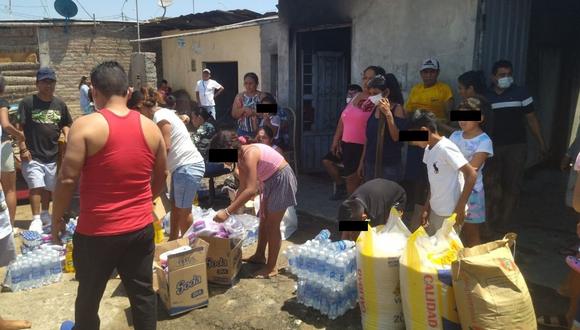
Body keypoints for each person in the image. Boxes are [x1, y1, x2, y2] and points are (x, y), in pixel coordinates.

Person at [51, 61, 168, 330]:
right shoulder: (150, 127)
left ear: (94, 92)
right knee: (142, 295)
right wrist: (144, 200)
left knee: (89, 296)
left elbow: (67, 178)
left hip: (97, 232)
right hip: (139, 228)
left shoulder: (85, 125)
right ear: (128, 91)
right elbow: (162, 175)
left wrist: (56, 217)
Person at [211, 130, 297, 278]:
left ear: (229, 149)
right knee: (263, 220)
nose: (222, 162)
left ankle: (271, 267)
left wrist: (227, 212)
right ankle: (259, 255)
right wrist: (233, 206)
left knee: (272, 226)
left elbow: (251, 190)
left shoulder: (249, 154)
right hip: (269, 181)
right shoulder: (241, 158)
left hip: (281, 179)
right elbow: (243, 187)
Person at [483, 59, 547, 232]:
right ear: (493, 77)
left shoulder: (521, 93)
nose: (506, 78)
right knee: (491, 186)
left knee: (512, 185)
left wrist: (541, 142)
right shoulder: (485, 96)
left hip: (516, 147)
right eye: (502, 75)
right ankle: (489, 224)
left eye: (509, 74)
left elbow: (531, 118)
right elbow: (472, 118)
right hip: (491, 147)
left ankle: (504, 224)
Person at [140, 87, 205, 241]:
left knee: (184, 211)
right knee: (176, 207)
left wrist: (154, 169)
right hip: (182, 167)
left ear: (142, 107)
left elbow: (166, 145)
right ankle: (174, 241)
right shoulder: (166, 113)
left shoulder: (160, 116)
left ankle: (190, 249)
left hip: (187, 166)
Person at [18, 67, 72, 233]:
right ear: (37, 84)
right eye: (45, 82)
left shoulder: (59, 104)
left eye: (51, 82)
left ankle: (44, 213)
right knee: (36, 185)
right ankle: (35, 219)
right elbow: (19, 127)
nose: (48, 85)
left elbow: (66, 123)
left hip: (53, 154)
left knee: (49, 187)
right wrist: (23, 148)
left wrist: (66, 136)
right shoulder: (27, 103)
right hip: (32, 154)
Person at [407, 110, 477, 235]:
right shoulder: (428, 149)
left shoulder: (446, 148)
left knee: (446, 251)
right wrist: (427, 207)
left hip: (450, 214)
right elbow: (433, 181)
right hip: (436, 210)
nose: (414, 143)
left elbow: (471, 174)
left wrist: (460, 208)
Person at [330, 66, 386, 195]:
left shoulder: (377, 99)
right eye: (364, 78)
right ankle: (354, 210)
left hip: (362, 146)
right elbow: (343, 118)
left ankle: (357, 210)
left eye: (370, 78)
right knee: (351, 179)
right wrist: (336, 139)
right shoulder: (357, 96)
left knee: (357, 180)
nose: (366, 81)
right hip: (347, 144)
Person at [449, 97, 493, 247]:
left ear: (480, 118)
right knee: (450, 233)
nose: (462, 120)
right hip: (452, 189)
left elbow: (472, 169)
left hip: (472, 193)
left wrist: (449, 164)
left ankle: (473, 266)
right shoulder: (454, 136)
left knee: (471, 235)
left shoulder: (484, 141)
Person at [358, 74, 406, 183]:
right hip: (370, 164)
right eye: (370, 94)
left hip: (389, 166)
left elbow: (397, 137)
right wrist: (362, 161)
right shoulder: (374, 109)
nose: (372, 97)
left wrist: (388, 114)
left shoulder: (397, 109)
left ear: (386, 93)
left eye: (375, 94)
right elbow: (368, 139)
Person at [322, 85, 362, 201]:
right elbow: (340, 127)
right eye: (349, 94)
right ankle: (341, 187)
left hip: (357, 147)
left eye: (353, 94)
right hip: (343, 145)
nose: (351, 97)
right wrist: (337, 141)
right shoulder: (346, 110)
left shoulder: (363, 110)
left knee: (353, 174)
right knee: (327, 161)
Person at [338, 178, 406, 241]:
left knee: (388, 230)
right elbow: (346, 230)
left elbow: (376, 235)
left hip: (397, 197)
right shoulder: (348, 204)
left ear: (364, 217)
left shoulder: (376, 214)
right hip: (376, 192)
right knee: (353, 227)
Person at [0, 75, 23, 225]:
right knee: (10, 189)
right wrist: (20, 135)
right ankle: (11, 225)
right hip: (2, 147)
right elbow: (6, 124)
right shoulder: (2, 102)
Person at [232, 72, 265, 138]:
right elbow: (234, 114)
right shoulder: (240, 96)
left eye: (251, 83)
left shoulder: (261, 96)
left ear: (256, 84)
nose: (248, 86)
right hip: (242, 131)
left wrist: (253, 112)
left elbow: (271, 111)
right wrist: (243, 109)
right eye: (246, 83)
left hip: (259, 131)